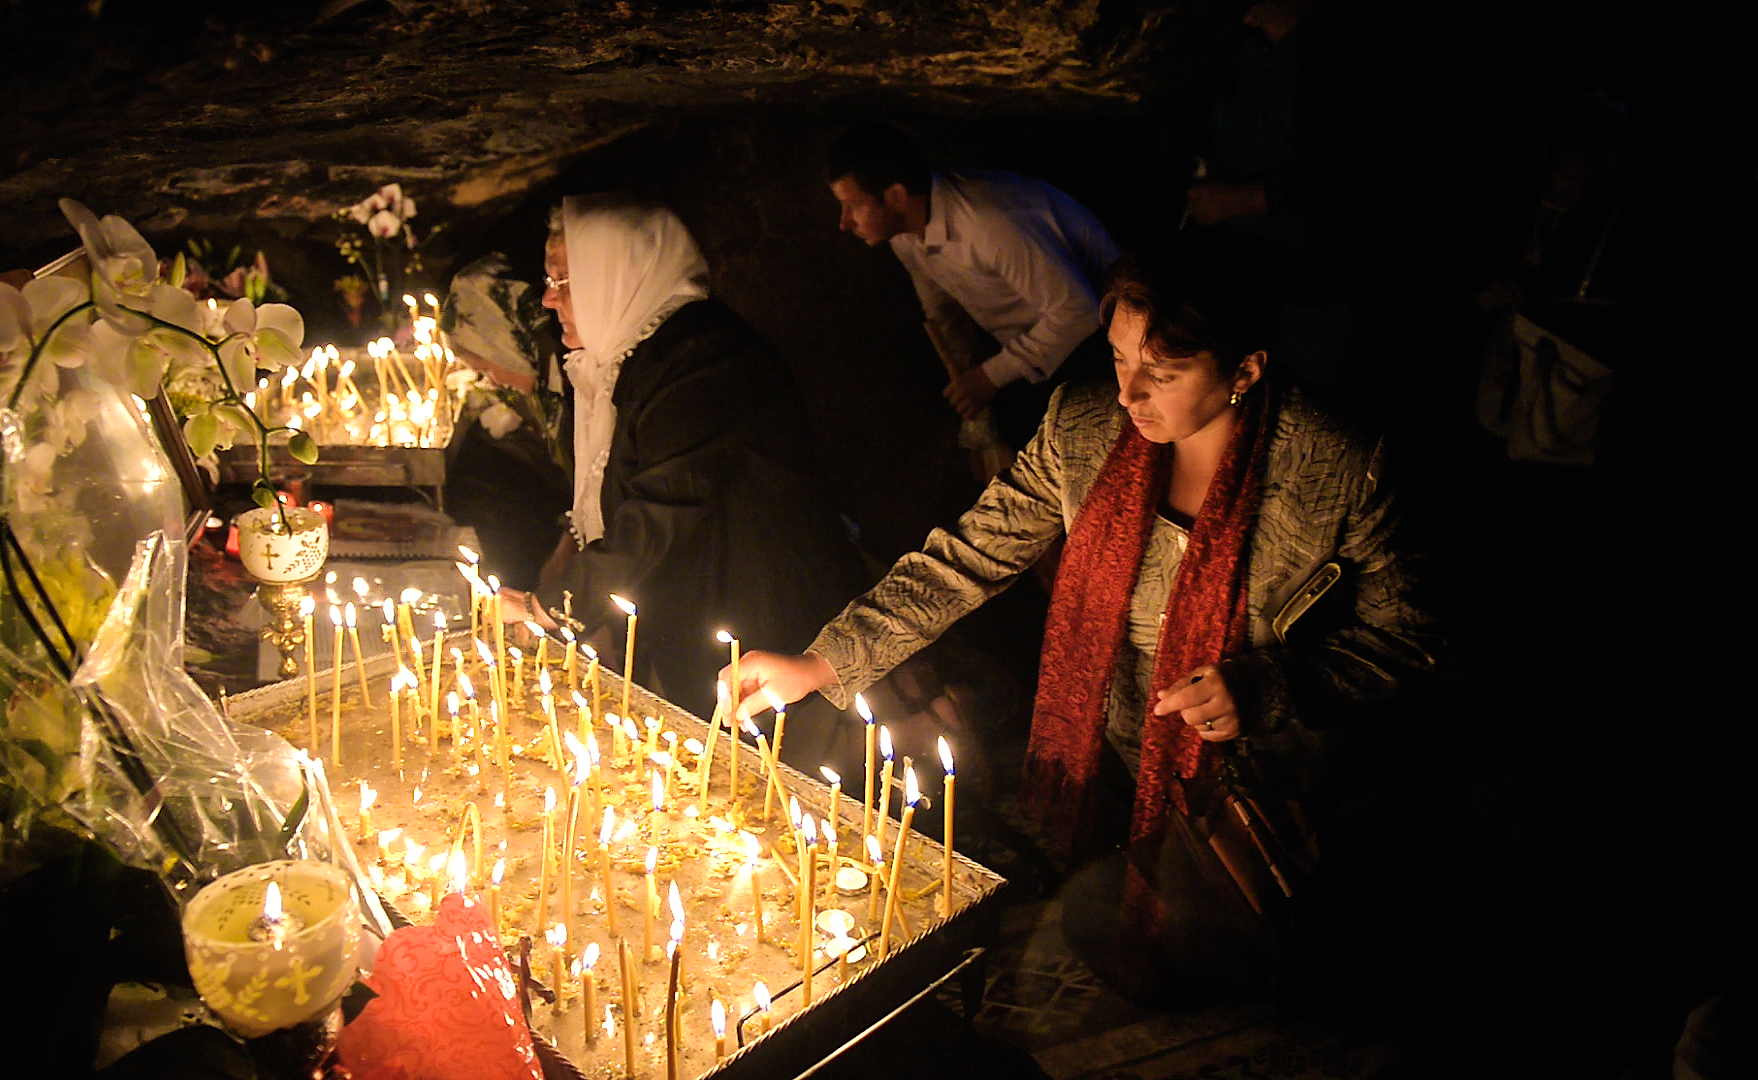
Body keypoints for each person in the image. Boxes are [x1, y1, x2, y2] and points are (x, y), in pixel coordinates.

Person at [726, 231, 1440, 1003]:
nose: (1130, 393)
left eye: (1160, 373)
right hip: (1102, 755)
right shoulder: (1085, 428)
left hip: (1255, 788)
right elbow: (968, 556)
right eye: (1119, 359)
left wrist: (1264, 689)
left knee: (1234, 973)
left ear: (1245, 371)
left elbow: (1412, 637)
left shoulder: (1337, 466)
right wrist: (823, 663)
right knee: (1103, 939)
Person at [496, 195, 867, 721]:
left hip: (766, 623)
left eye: (563, 281)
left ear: (615, 275)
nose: (549, 300)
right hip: (710, 623)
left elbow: (661, 508)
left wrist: (550, 607)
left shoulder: (702, 356)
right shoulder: (635, 357)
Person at [828, 122, 1120, 450]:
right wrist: (973, 398)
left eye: (852, 205)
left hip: (1103, 336)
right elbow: (941, 310)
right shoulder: (906, 235)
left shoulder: (987, 223)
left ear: (895, 196)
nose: (844, 222)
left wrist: (987, 378)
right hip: (1038, 343)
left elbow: (1079, 311)